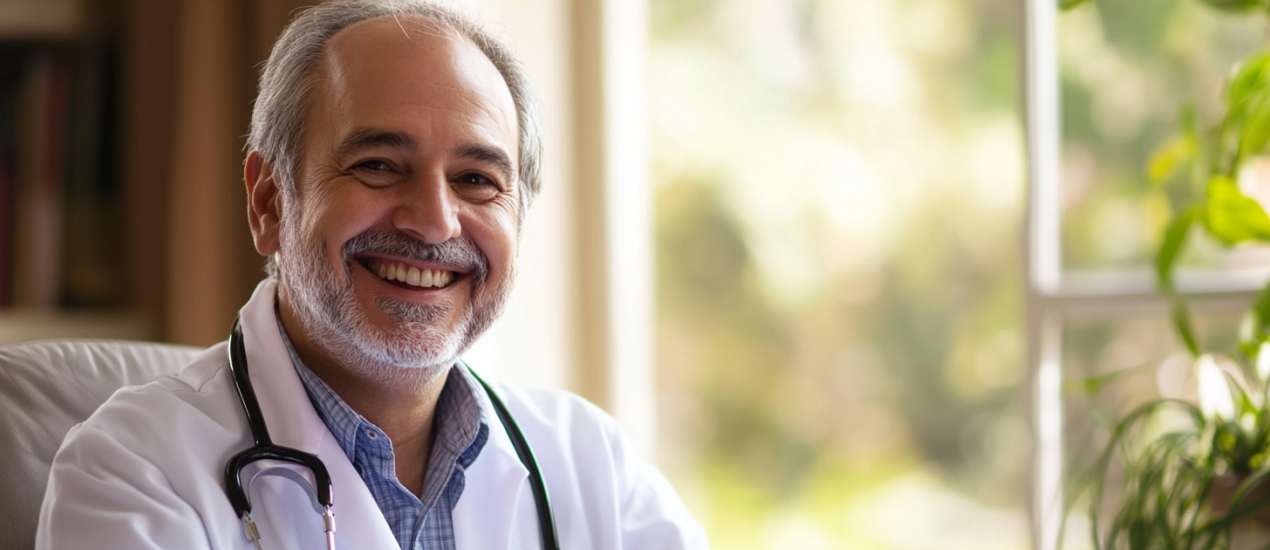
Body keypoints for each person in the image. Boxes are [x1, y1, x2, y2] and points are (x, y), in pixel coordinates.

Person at [34, 1, 708, 548]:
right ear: (269, 202)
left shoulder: (587, 462)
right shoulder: (133, 471)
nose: (435, 221)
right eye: (379, 166)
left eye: (477, 179)